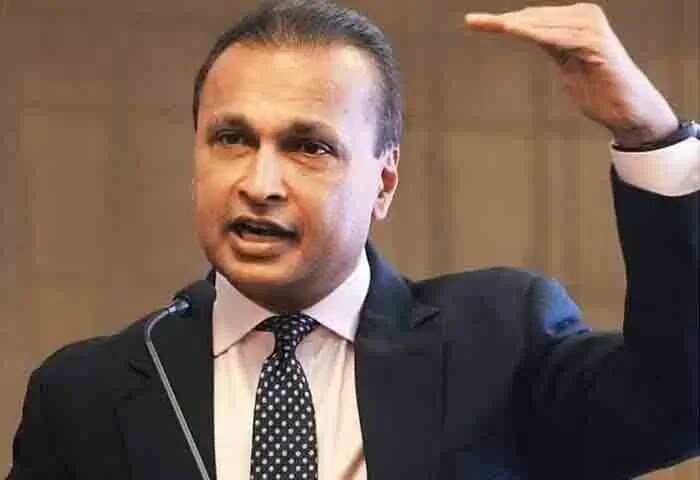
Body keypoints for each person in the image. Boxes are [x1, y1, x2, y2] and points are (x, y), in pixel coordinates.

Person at [8, 1, 699, 479]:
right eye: (232, 139)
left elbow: (678, 403)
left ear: (384, 182)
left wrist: (651, 137)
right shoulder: (86, 395)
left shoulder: (499, 342)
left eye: (308, 147)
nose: (260, 183)